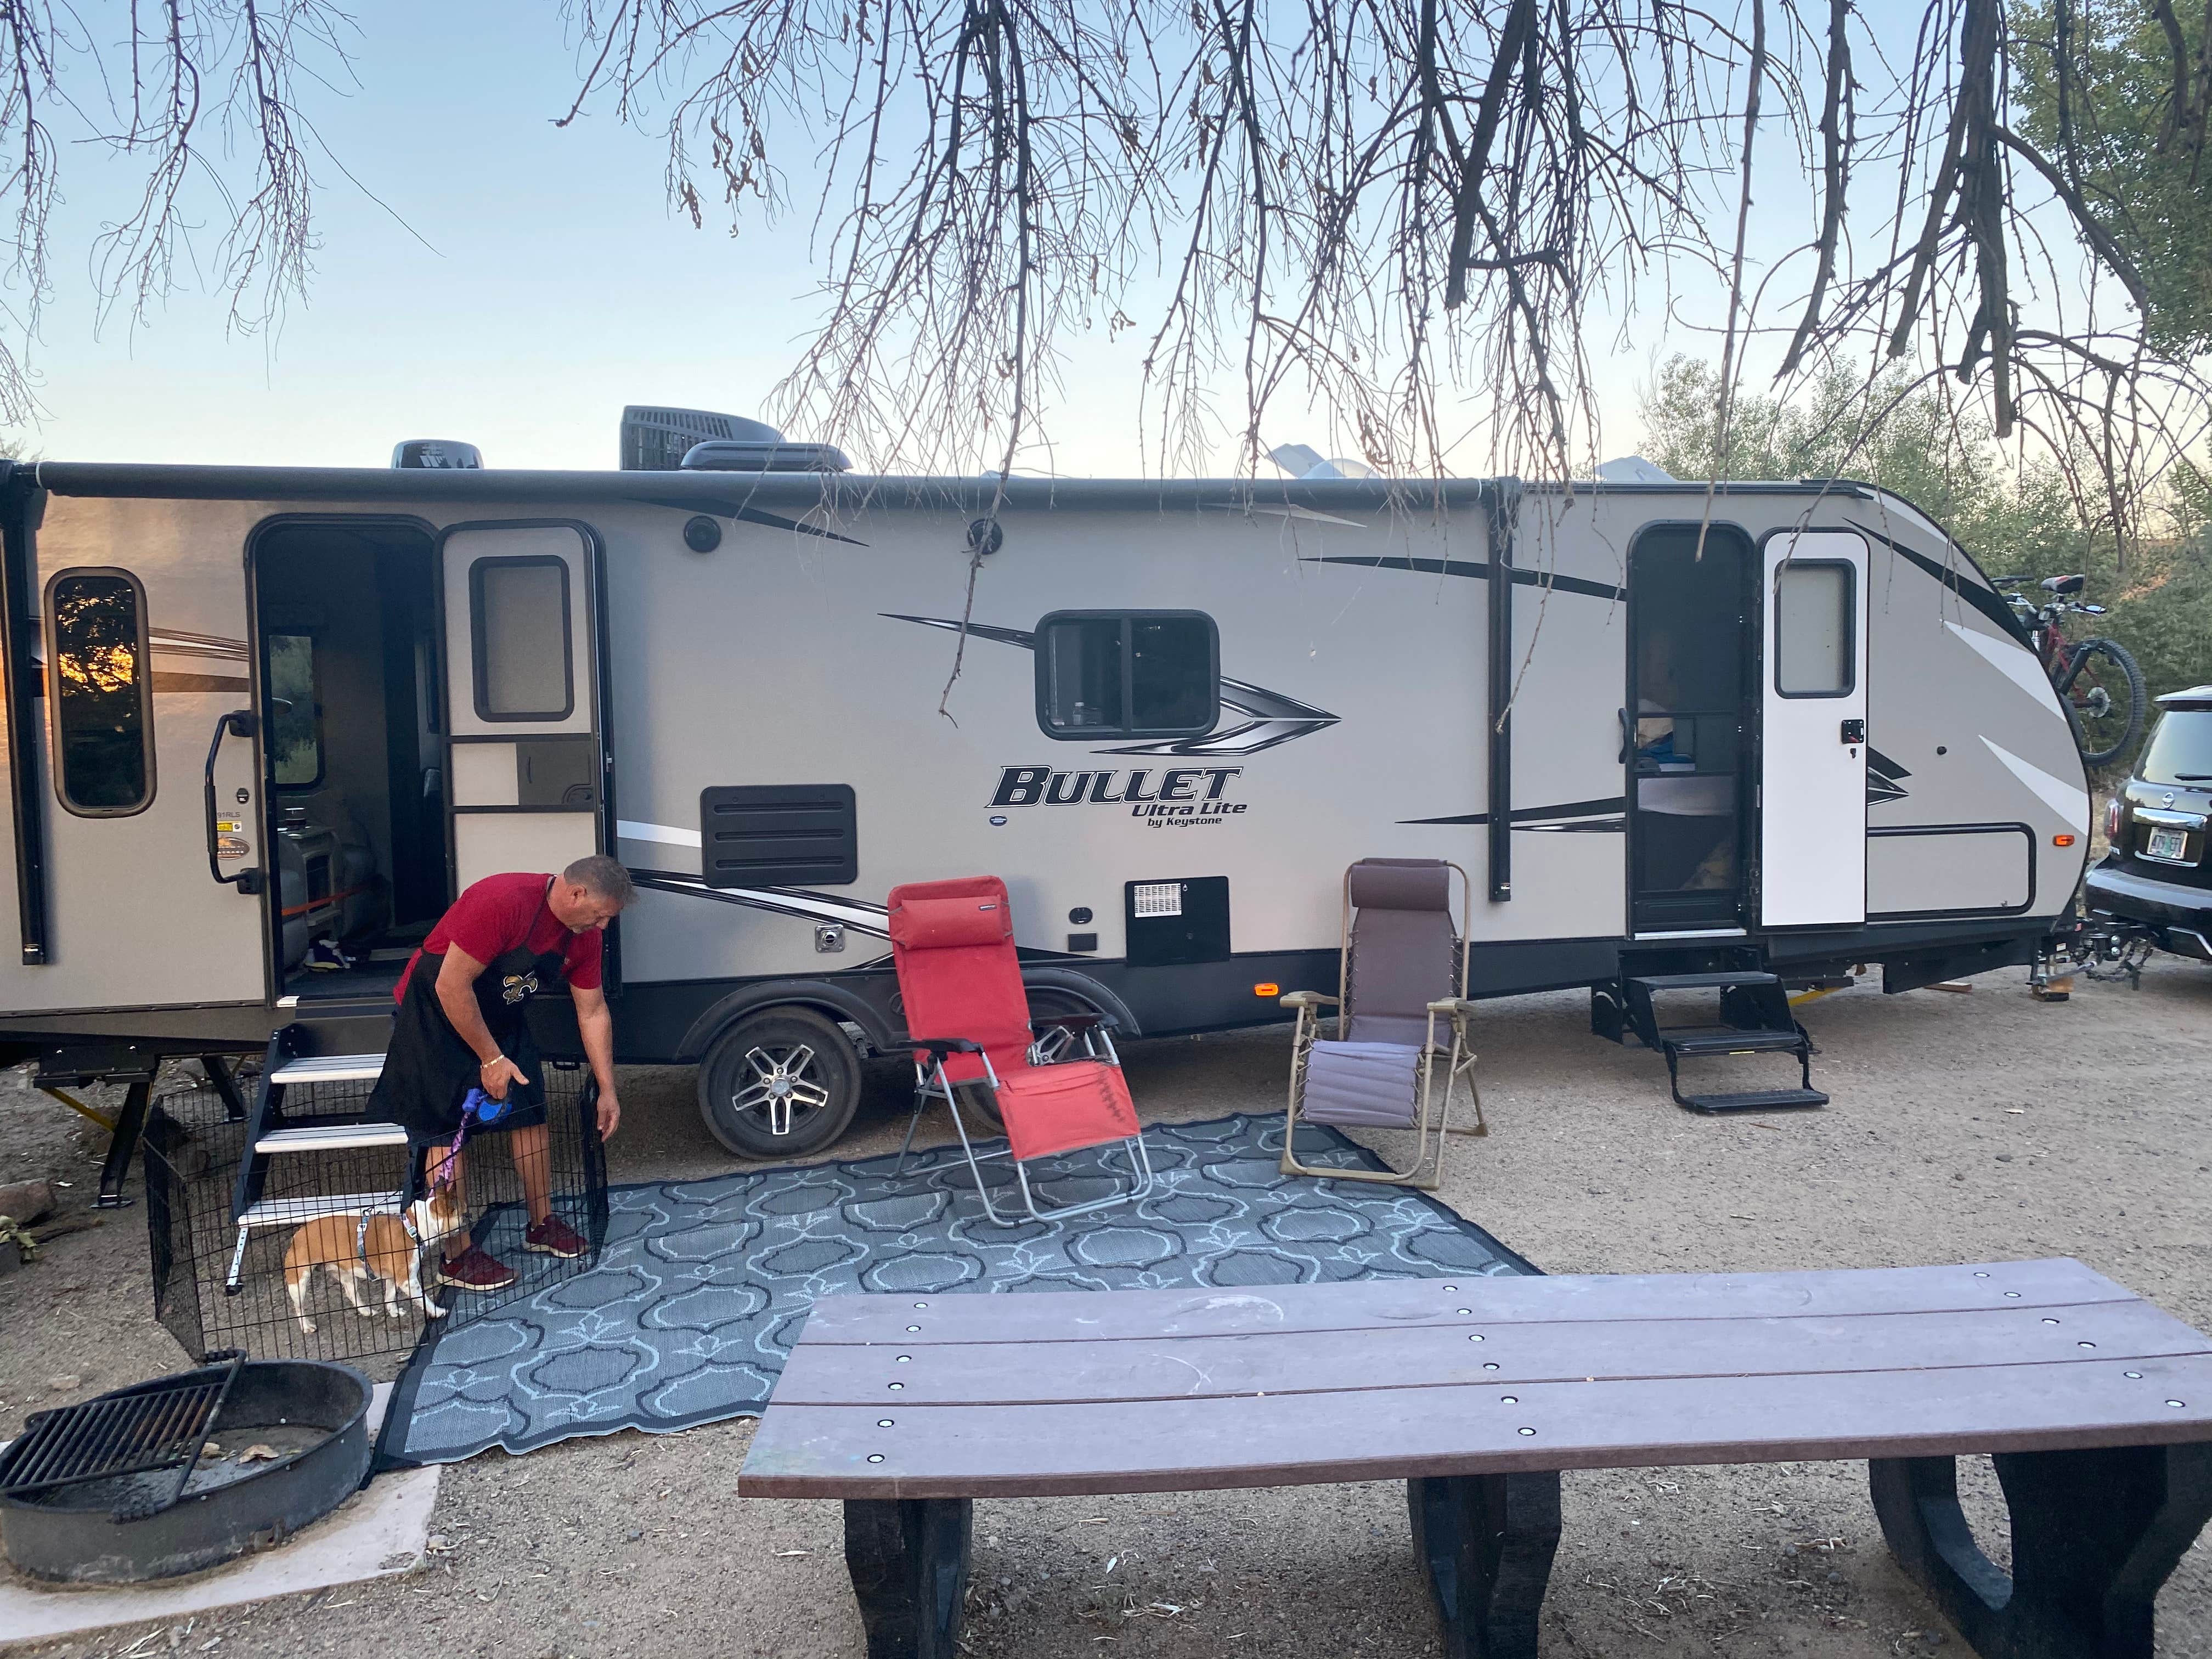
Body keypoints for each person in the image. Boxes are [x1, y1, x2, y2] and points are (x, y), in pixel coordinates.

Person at [369, 855, 634, 1291]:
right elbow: (451, 986)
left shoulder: (581, 936)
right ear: (576, 893)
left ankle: (542, 1222)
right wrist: (490, 1060)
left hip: (501, 1016)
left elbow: (592, 1011)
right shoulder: (503, 901)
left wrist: (608, 1089)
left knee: (529, 1115)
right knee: (445, 1130)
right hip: (436, 1013)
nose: (603, 927)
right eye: (601, 915)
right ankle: (457, 1254)